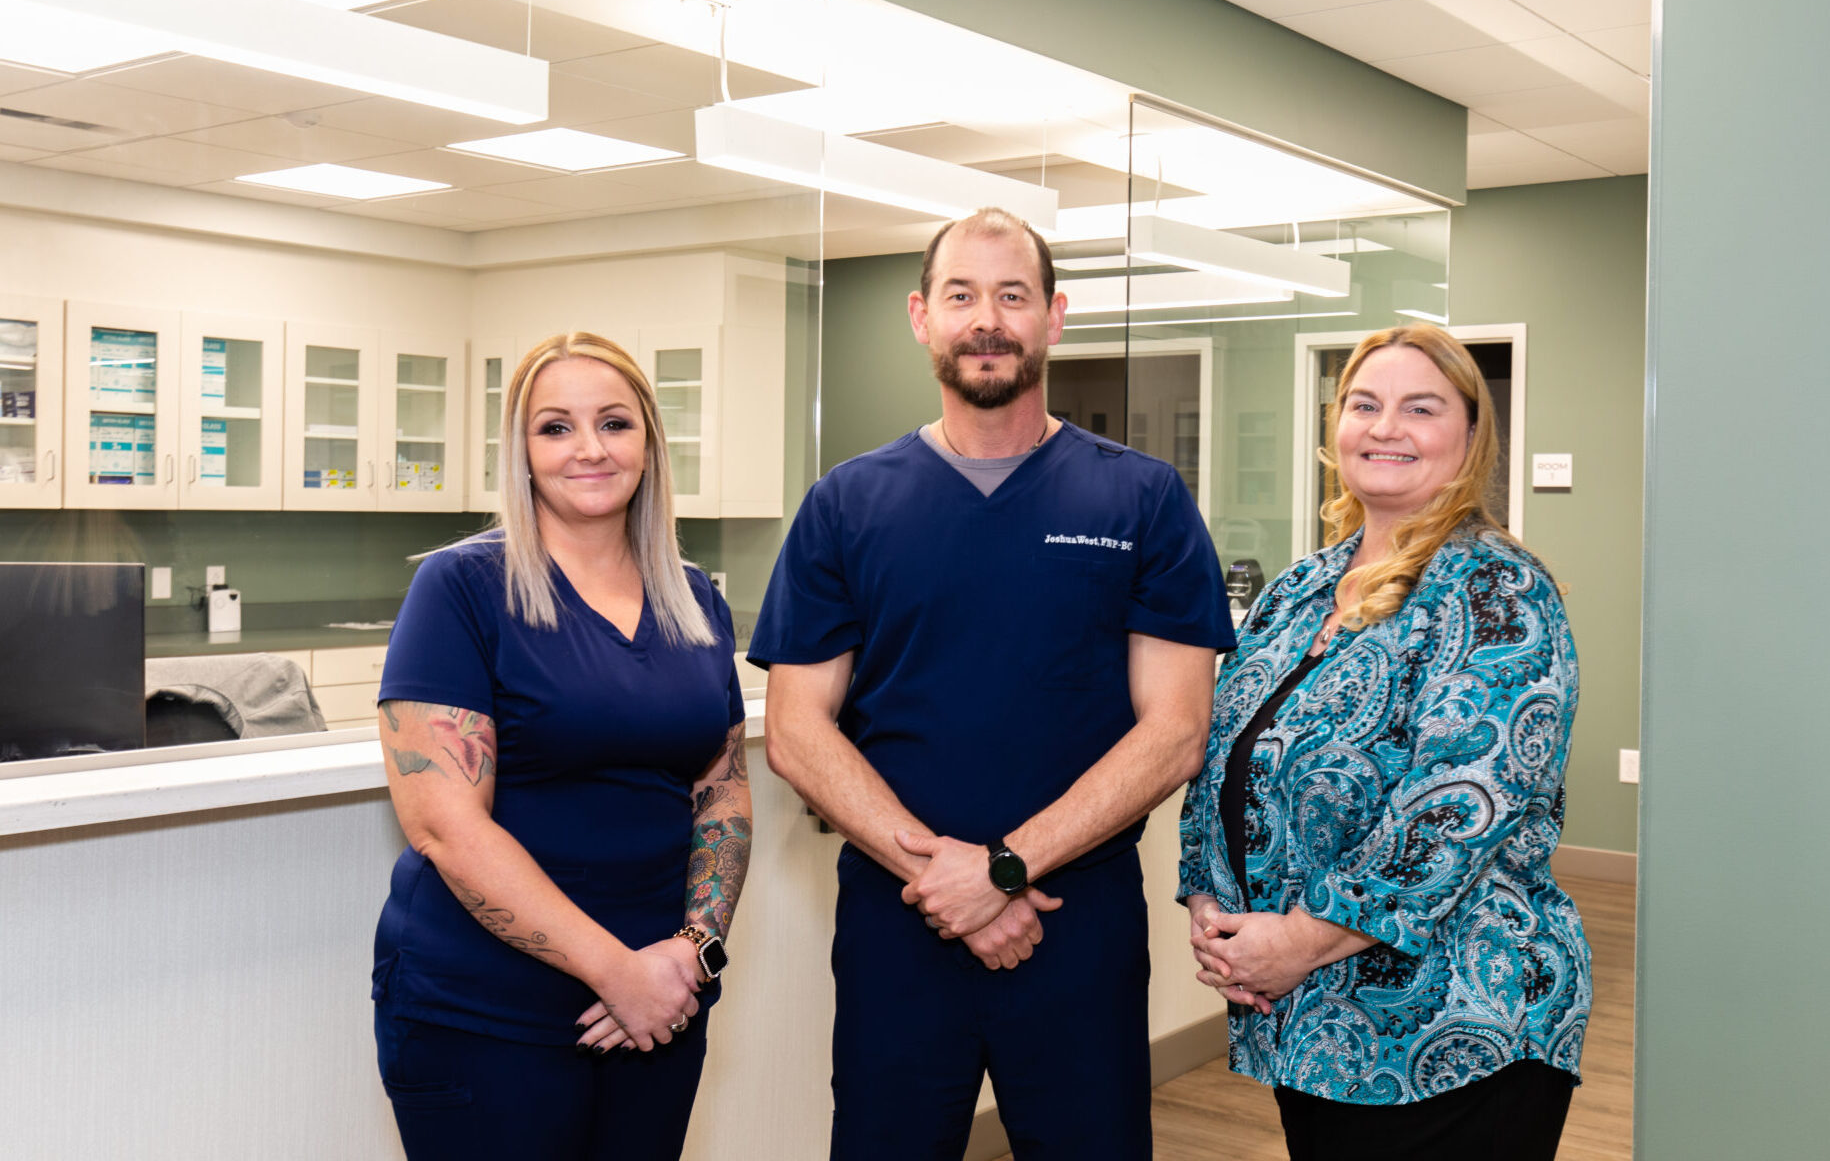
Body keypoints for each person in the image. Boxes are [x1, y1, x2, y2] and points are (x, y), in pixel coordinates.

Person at [748, 206, 1232, 1159]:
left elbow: (1175, 729)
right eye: (963, 295)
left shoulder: (1141, 498)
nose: (988, 319)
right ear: (922, 316)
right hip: (899, 919)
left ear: (1054, 318)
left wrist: (1007, 867)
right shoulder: (848, 503)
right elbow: (798, 728)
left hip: (1075, 919)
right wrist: (946, 881)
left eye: (1013, 296)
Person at [1179, 323, 1590, 1161]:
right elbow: (1222, 751)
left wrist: (1296, 941)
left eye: (1421, 408)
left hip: (1457, 1024)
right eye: (1364, 405)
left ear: (1471, 437)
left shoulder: (1498, 587)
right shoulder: (1299, 588)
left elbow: (1458, 806)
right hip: (1316, 1023)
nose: (1386, 427)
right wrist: (1210, 905)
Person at [370, 332, 751, 1160]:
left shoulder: (693, 601)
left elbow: (721, 789)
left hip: (663, 1000)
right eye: (555, 428)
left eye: (614, 423)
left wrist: (692, 955)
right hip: (490, 1008)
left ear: (648, 442)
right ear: (522, 451)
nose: (588, 448)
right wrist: (618, 973)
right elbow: (444, 825)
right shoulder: (462, 588)